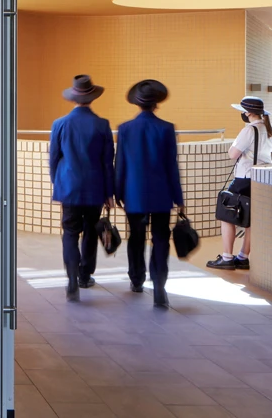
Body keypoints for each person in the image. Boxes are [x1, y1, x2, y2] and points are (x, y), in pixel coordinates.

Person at [114, 79, 184, 308]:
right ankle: (159, 287)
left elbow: (120, 163)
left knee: (136, 238)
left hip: (134, 193)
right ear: (156, 104)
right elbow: (171, 166)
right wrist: (178, 197)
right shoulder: (166, 128)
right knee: (161, 240)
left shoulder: (125, 128)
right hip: (162, 193)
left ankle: (136, 280)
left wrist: (117, 191)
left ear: (137, 103)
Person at [49, 75, 115, 302]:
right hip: (95, 188)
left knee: (69, 232)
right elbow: (108, 162)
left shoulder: (60, 124)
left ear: (74, 97)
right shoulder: (102, 124)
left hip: (69, 187)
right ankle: (85, 276)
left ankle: (71, 279)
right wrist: (109, 192)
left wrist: (58, 183)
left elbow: (54, 159)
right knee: (90, 231)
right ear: (91, 97)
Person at [207, 96, 272, 271]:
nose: (243, 114)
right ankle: (243, 257)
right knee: (250, 218)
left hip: (244, 178)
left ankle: (227, 257)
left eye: (244, 111)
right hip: (261, 179)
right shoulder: (268, 130)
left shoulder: (249, 131)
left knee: (226, 213)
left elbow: (233, 154)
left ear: (249, 113)